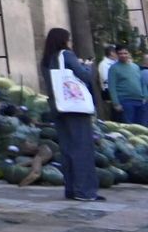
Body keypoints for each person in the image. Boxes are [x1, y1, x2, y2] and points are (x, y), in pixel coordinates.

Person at [40, 28, 103, 202]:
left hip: (58, 107)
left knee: (67, 149)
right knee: (82, 148)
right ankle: (85, 191)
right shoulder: (66, 55)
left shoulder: (46, 60)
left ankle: (71, 189)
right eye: (69, 39)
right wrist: (88, 66)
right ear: (64, 41)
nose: (71, 43)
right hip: (75, 108)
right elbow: (85, 76)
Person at [108, 46, 148, 126]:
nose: (123, 55)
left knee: (143, 126)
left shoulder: (135, 67)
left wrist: (145, 96)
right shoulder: (113, 68)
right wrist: (116, 103)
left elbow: (142, 83)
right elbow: (112, 87)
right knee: (129, 126)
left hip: (140, 101)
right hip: (125, 101)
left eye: (125, 53)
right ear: (117, 54)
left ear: (129, 54)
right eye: (120, 53)